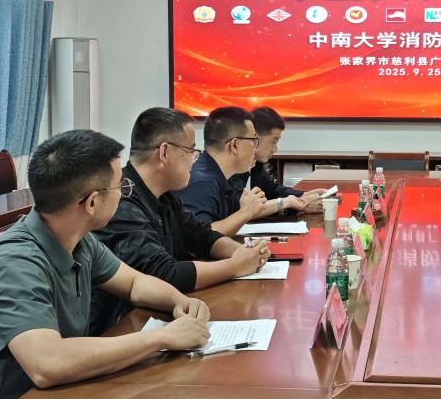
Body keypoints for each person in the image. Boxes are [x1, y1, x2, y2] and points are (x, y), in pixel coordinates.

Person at [0, 129, 211, 399]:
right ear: (92, 202)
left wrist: (180, 302)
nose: (124, 193)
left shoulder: (77, 239)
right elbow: (48, 364)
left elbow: (135, 283)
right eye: (120, 186)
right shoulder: (14, 264)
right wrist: (162, 338)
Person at [90, 108, 268, 335]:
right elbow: (163, 273)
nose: (195, 159)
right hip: (118, 329)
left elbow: (200, 235)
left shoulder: (165, 194)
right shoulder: (121, 200)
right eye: (191, 150)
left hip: (158, 315)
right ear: (165, 152)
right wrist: (234, 266)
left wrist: (242, 252)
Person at [177, 106, 303, 235]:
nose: (255, 148)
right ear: (234, 145)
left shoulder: (221, 176)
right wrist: (246, 212)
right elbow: (200, 235)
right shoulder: (202, 182)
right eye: (253, 141)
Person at [229, 106, 326, 214]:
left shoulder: (256, 162)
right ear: (254, 137)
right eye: (273, 142)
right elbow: (239, 209)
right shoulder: (232, 166)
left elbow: (271, 189)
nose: (275, 149)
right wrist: (290, 202)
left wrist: (302, 195)